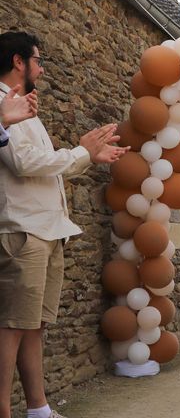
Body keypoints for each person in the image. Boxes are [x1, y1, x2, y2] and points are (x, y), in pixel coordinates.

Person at [0, 31, 129, 418]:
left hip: (46, 230)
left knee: (33, 326)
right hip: (22, 231)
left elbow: (45, 166)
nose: (41, 68)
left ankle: (38, 409)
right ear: (19, 62)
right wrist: (80, 152)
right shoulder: (2, 104)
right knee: (11, 326)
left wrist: (86, 157)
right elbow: (23, 164)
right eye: (38, 60)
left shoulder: (24, 108)